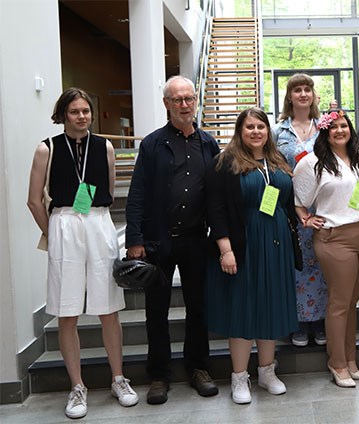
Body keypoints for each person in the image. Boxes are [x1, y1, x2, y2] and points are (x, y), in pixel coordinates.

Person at [27, 88, 138, 418]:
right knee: (67, 310)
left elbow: (105, 188)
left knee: (109, 307)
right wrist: (53, 233)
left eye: (86, 111)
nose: (82, 116)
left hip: (98, 222)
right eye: (74, 111)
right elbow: (34, 200)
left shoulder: (104, 146)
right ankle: (77, 386)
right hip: (63, 222)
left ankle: (118, 378)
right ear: (63, 115)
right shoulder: (45, 149)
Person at [125, 76, 219, 404]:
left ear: (195, 102)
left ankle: (198, 368)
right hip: (157, 241)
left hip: (196, 240)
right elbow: (136, 193)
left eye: (188, 99)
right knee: (156, 311)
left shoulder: (208, 144)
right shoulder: (152, 145)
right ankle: (159, 375)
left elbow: (218, 195)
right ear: (166, 104)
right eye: (177, 99)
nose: (184, 104)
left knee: (198, 308)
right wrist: (134, 237)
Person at [205, 107, 297, 404]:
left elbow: (288, 201)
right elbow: (215, 209)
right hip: (244, 244)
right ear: (239, 131)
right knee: (243, 307)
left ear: (268, 130)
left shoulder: (278, 160)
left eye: (261, 126)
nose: (256, 132)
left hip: (276, 243)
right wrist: (225, 249)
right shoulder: (226, 163)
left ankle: (267, 371)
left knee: (270, 305)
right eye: (249, 127)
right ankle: (239, 377)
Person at [293, 109, 359, 388]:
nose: (340, 130)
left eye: (344, 125)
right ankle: (337, 363)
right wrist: (306, 217)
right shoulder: (313, 162)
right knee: (339, 304)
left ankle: (350, 360)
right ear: (325, 131)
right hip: (333, 238)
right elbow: (298, 199)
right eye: (334, 126)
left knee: (352, 303)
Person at [271, 73, 327, 347]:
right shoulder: (278, 131)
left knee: (323, 261)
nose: (303, 94)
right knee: (297, 264)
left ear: (313, 95)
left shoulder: (325, 127)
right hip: (291, 206)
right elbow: (270, 165)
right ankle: (299, 323)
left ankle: (320, 322)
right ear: (289, 96)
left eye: (307, 89)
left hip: (323, 204)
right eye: (298, 90)